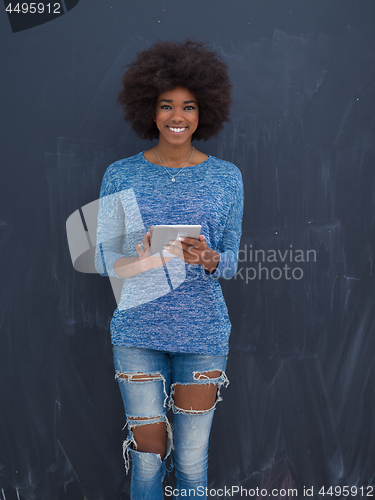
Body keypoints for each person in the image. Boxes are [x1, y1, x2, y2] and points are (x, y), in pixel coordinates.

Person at [95, 39, 244, 499]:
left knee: (193, 464)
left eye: (189, 106)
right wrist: (146, 256)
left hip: (202, 338)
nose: (177, 116)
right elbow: (105, 262)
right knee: (147, 463)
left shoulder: (227, 177)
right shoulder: (121, 174)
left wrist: (210, 258)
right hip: (137, 334)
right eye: (166, 105)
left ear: (204, 113)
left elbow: (233, 261)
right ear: (150, 110)